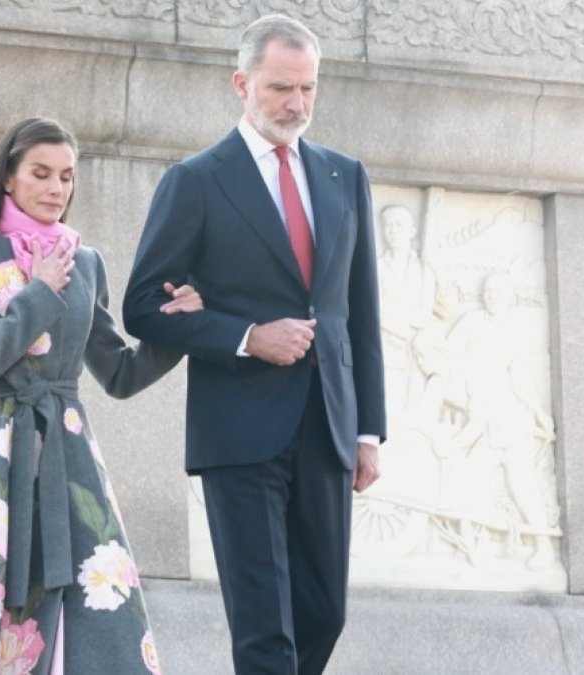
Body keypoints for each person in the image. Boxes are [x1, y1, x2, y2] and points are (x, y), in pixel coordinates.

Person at [122, 14, 386, 674]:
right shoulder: (197, 180)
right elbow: (143, 306)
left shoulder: (344, 175)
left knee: (324, 612)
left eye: (308, 88)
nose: (296, 104)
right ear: (242, 84)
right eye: (280, 88)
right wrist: (246, 337)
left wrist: (368, 431)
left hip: (328, 424)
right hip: (238, 432)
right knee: (265, 627)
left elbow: (359, 312)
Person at [0, 117, 203, 674]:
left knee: (97, 607)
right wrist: (38, 291)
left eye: (66, 176)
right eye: (41, 173)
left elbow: (119, 373)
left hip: (69, 453)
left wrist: (179, 330)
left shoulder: (85, 262)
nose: (56, 188)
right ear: (8, 177)